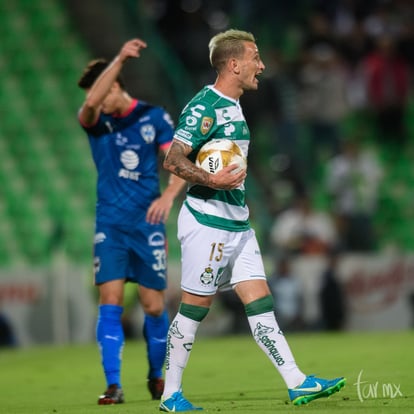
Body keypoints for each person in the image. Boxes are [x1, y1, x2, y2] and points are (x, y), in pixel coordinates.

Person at [160, 29, 346, 412]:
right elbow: (173, 159)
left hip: (238, 224)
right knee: (194, 307)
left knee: (261, 301)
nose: (261, 65)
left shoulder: (235, 104)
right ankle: (170, 395)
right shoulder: (204, 106)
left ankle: (297, 382)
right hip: (207, 222)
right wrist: (213, 179)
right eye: (254, 57)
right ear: (233, 64)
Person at [77, 38, 186, 405]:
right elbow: (90, 104)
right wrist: (120, 57)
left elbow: (176, 162)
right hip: (110, 225)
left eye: (105, 90)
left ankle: (157, 375)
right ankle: (113, 385)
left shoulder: (154, 117)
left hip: (147, 224)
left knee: (154, 306)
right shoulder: (94, 122)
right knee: (109, 300)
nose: (98, 99)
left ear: (118, 88)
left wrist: (169, 195)